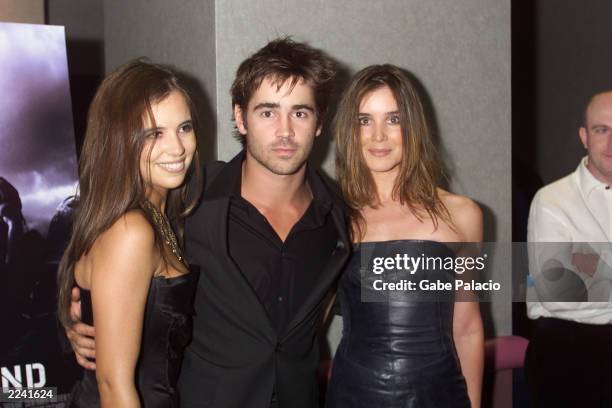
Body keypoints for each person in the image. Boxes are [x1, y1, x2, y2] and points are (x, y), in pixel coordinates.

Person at [67, 38, 351, 408]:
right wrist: (79, 318)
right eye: (267, 112)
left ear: (319, 122)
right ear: (239, 117)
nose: (284, 131)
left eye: (300, 112)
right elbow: (99, 252)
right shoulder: (191, 200)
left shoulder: (340, 218)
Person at [326, 65, 484, 408]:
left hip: (440, 394)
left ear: (412, 126)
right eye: (364, 120)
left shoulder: (463, 215)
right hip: (353, 395)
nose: (378, 136)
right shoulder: (332, 216)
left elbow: (467, 324)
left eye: (393, 119)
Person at [57, 59, 201, 407]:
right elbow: (112, 385)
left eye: (184, 127)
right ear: (120, 140)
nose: (177, 148)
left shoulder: (160, 217)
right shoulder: (130, 231)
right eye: (154, 134)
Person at [525, 90, 612, 407]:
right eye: (602, 130)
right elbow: (561, 289)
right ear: (584, 136)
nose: (611, 142)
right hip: (570, 356)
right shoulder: (552, 200)